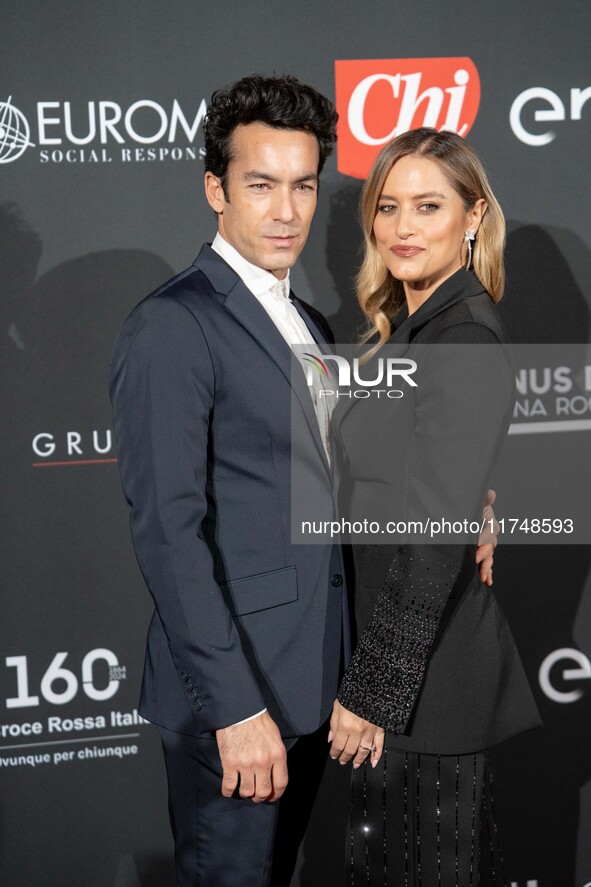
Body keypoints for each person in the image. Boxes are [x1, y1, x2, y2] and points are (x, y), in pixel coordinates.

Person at [110, 76, 497, 886]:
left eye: (303, 185)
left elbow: (362, 472)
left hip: (318, 688)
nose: (286, 210)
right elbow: (167, 532)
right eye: (259, 184)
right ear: (215, 189)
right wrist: (234, 708)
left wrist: (474, 502)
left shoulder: (312, 321)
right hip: (237, 703)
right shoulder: (173, 323)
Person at [327, 128, 542, 885]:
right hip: (413, 678)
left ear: (473, 215)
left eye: (428, 205)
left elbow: (430, 536)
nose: (403, 227)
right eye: (388, 207)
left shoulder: (461, 337)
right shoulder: (416, 330)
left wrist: (373, 691)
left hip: (427, 691)